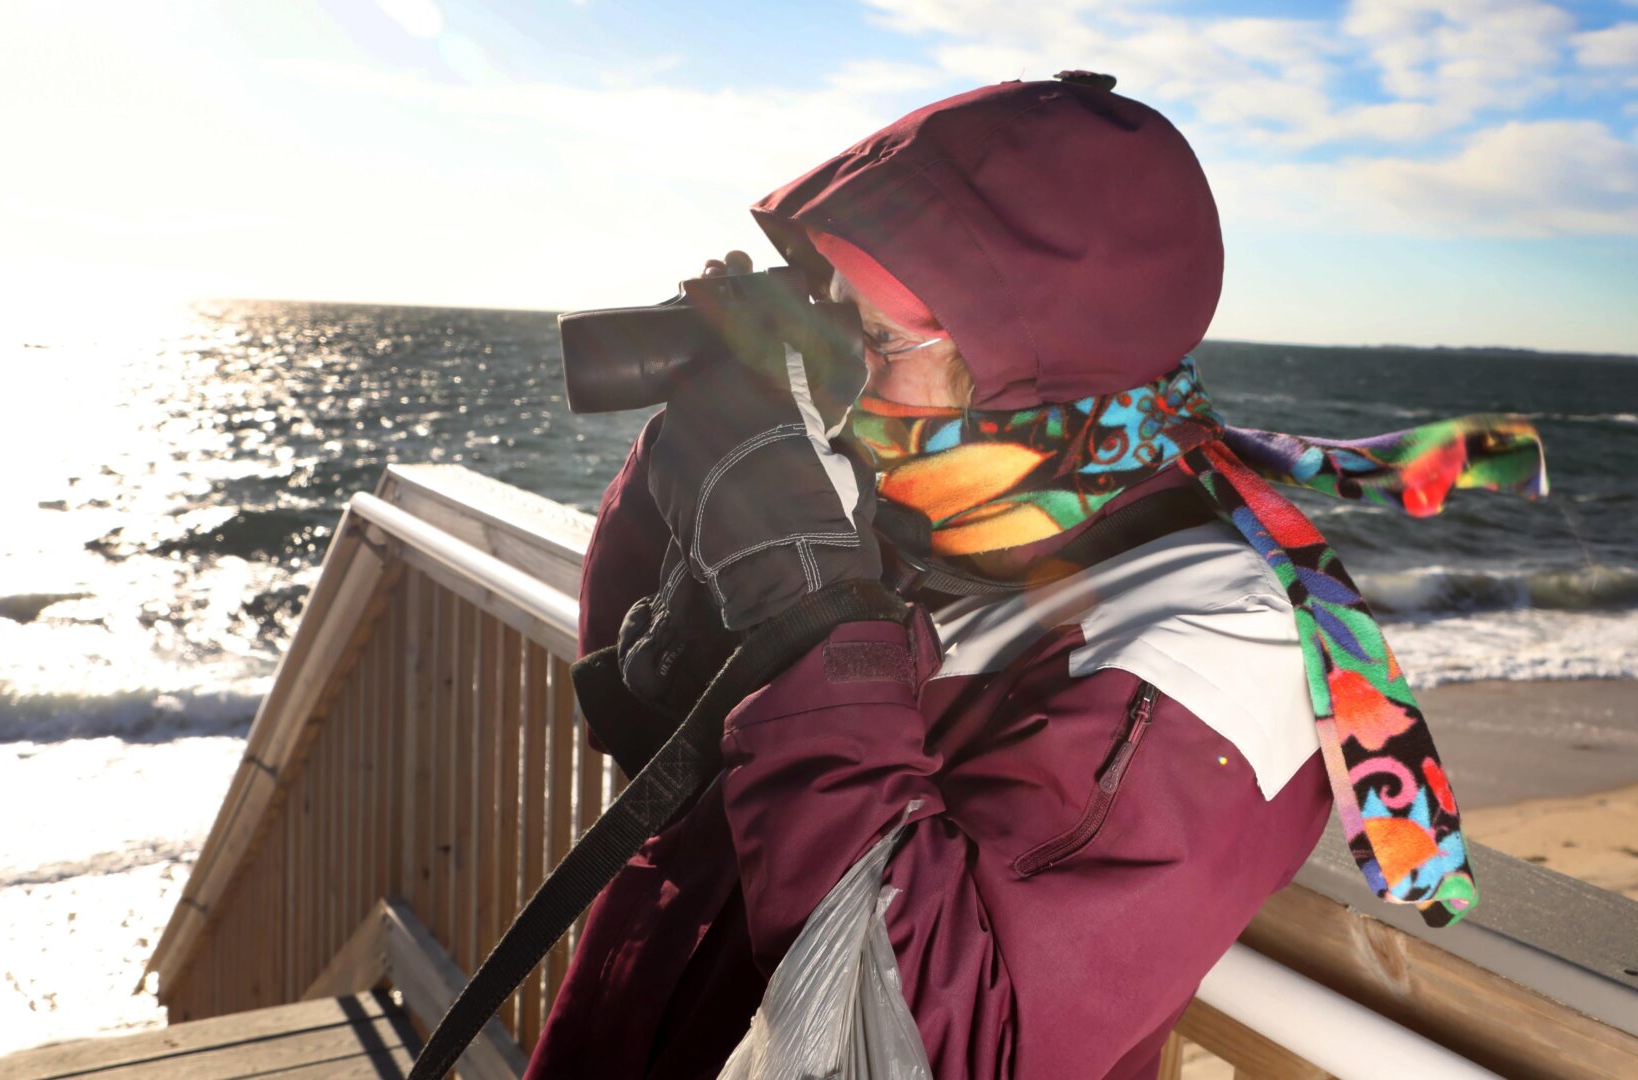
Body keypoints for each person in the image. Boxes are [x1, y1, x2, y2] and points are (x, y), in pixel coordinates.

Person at [532, 74, 1542, 1080]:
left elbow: (918, 1048)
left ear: (1036, 363)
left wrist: (803, 588)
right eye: (823, 315)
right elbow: (638, 719)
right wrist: (702, 450)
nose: (837, 373)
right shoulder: (903, 503)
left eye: (875, 341)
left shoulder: (1212, 647)